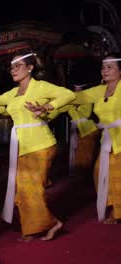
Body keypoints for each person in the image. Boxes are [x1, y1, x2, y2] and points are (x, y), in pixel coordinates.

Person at [0, 51, 76, 241]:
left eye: (18, 66)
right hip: (23, 147)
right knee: (22, 189)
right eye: (11, 67)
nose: (13, 70)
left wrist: (47, 107)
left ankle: (48, 224)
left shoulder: (41, 87)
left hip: (41, 144)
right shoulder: (13, 93)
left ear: (30, 68)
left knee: (32, 188)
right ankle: (33, 227)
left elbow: (69, 95)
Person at [72, 52, 121, 224]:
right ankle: (113, 205)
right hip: (107, 140)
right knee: (99, 172)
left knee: (117, 174)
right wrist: (49, 102)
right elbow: (77, 97)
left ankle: (117, 212)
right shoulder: (100, 90)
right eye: (103, 67)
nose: (104, 70)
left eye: (110, 67)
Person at [45, 83, 99, 178]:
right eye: (75, 89)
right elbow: (58, 110)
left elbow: (85, 114)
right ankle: (79, 175)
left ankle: (84, 176)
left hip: (89, 130)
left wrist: (73, 106)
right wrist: (45, 117)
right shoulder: (71, 101)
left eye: (79, 90)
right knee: (76, 152)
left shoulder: (87, 100)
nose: (76, 92)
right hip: (77, 130)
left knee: (86, 154)